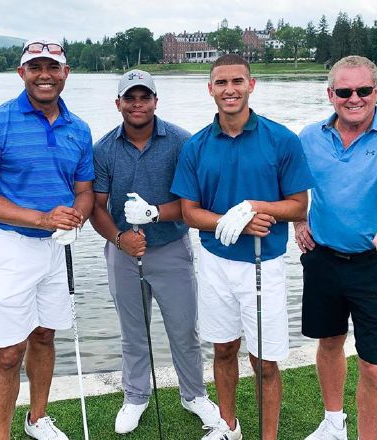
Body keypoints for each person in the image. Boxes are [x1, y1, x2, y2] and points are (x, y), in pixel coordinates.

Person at [171, 54, 314, 440]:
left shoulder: (280, 138)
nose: (229, 89)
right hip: (215, 262)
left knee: (265, 361)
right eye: (221, 83)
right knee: (223, 349)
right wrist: (232, 222)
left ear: (251, 85)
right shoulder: (197, 146)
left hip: (263, 263)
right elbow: (188, 212)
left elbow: (299, 205)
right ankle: (228, 426)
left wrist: (256, 208)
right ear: (210, 89)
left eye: (237, 81)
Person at [0, 38, 94, 440]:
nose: (45, 75)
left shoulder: (79, 128)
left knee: (45, 334)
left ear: (65, 74)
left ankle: (37, 418)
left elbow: (84, 190)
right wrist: (42, 218)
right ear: (21, 73)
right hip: (11, 247)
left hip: (57, 246)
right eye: (35, 68)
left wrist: (78, 217)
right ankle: (1, 435)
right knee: (7, 351)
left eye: (52, 68)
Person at [295, 55, 377, 440]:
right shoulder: (309, 136)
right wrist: (300, 218)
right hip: (322, 259)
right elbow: (293, 183)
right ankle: (334, 424)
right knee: (330, 342)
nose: (354, 98)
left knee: (374, 366)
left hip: (376, 265)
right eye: (344, 91)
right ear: (330, 94)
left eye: (363, 90)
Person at [90, 69, 221, 434]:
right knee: (133, 332)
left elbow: (194, 204)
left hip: (171, 249)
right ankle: (135, 395)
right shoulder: (103, 148)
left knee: (184, 330)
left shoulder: (181, 141)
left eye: (143, 97)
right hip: (122, 252)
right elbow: (96, 207)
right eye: (129, 98)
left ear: (155, 101)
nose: (137, 104)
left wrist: (155, 213)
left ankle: (193, 394)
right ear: (118, 103)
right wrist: (119, 238)